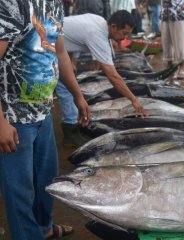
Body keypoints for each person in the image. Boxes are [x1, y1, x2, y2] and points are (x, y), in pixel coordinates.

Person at [0, 0, 89, 239]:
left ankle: (44, 228)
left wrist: (78, 95)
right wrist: (0, 122)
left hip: (43, 112)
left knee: (46, 182)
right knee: (20, 192)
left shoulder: (54, 5)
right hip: (14, 118)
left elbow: (59, 52)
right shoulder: (12, 5)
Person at [56, 10, 147, 147]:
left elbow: (71, 33)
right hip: (44, 46)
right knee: (67, 88)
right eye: (124, 33)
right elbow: (112, 75)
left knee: (69, 86)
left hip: (53, 43)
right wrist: (134, 100)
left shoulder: (100, 21)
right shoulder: (97, 34)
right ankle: (70, 132)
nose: (125, 38)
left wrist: (71, 61)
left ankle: (72, 126)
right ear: (113, 26)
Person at [160, 0, 184, 79]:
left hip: (177, 13)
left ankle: (181, 67)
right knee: (166, 41)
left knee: (179, 42)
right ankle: (169, 65)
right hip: (164, 13)